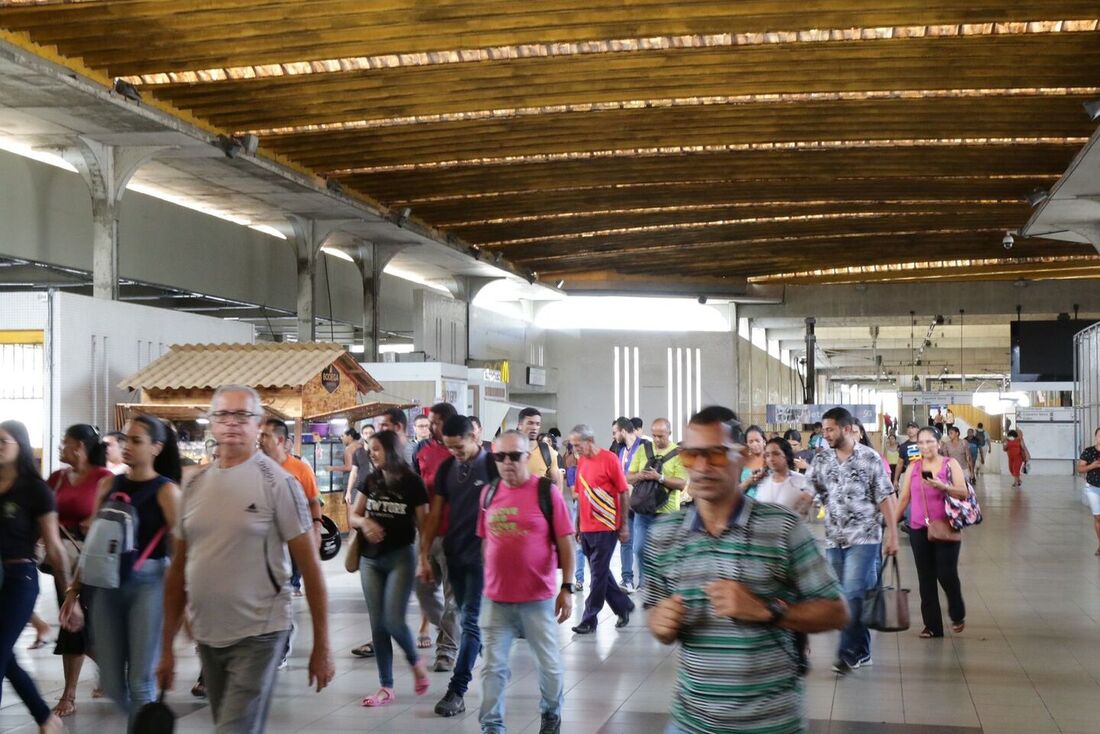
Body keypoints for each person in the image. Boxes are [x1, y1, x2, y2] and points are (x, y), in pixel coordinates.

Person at [644, 406, 848, 734]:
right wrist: (661, 624)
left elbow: (837, 611)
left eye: (715, 455)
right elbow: (654, 613)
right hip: (691, 722)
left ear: (740, 457)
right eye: (691, 455)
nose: (701, 466)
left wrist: (768, 611)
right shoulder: (664, 534)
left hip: (771, 723)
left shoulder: (782, 527)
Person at [156, 385, 335, 733]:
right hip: (209, 632)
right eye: (223, 415)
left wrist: (322, 646)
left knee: (233, 728)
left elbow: (311, 570)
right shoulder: (194, 485)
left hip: (261, 631)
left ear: (259, 424)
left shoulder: (279, 484)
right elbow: (178, 570)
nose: (232, 423)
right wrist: (165, 648)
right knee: (233, 722)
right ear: (211, 422)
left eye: (242, 415)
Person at [59, 417, 181, 731]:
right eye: (126, 439)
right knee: (112, 683)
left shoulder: (166, 491)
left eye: (137, 441)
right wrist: (73, 592)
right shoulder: (108, 485)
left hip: (148, 586)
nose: (127, 446)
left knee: (140, 681)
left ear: (156, 448)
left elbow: (182, 552)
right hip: (106, 587)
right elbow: (93, 545)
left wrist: (183, 605)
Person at [478, 431, 576, 734]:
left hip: (537, 599)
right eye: (500, 456)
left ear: (526, 457)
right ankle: (492, 726)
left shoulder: (547, 492)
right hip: (496, 599)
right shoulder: (489, 493)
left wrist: (567, 587)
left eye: (514, 456)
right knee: (493, 668)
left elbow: (566, 543)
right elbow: (485, 541)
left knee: (548, 665)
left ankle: (551, 714)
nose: (507, 462)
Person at [808, 407, 899, 675]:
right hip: (835, 539)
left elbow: (885, 497)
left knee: (853, 593)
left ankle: (847, 653)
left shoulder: (869, 458)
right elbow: (811, 492)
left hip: (865, 537)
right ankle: (863, 650)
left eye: (830, 429)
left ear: (846, 429)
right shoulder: (823, 460)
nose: (825, 435)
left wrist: (892, 533)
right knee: (846, 595)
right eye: (824, 430)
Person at [0, 419, 77, 734]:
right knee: (4, 655)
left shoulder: (35, 491)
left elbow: (55, 548)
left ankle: (45, 718)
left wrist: (70, 594)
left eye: (3, 442)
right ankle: (46, 719)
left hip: (20, 579)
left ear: (21, 446)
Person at [418, 414, 496, 717]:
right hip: (454, 554)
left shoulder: (492, 466)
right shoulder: (448, 468)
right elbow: (435, 515)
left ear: (474, 437)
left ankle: (457, 689)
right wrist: (424, 554)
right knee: (466, 618)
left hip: (482, 558)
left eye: (460, 447)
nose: (455, 453)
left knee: (472, 622)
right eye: (450, 448)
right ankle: (478, 650)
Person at [349, 430, 431, 707]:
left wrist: (425, 558)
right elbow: (353, 515)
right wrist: (364, 523)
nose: (371, 453)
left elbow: (424, 525)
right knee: (378, 625)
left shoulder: (412, 483)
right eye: (370, 449)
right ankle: (386, 686)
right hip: (370, 560)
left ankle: (415, 663)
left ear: (391, 451)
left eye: (376, 449)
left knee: (393, 619)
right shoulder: (371, 479)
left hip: (400, 558)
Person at [44, 424, 114, 718]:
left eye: (66, 442)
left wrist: (93, 519)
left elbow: (113, 517)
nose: (61, 448)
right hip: (63, 561)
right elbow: (43, 512)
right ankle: (75, 690)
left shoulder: (104, 478)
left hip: (93, 560)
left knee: (85, 623)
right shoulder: (56, 478)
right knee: (71, 621)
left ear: (81, 447)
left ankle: (107, 673)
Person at [894, 427, 969, 638]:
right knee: (925, 578)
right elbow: (904, 498)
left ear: (938, 443)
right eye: (921, 442)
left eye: (929, 442)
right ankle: (932, 626)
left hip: (946, 527)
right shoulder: (914, 467)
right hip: (919, 528)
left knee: (946, 574)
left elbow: (963, 491)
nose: (925, 446)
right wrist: (891, 522)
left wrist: (943, 486)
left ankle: (957, 612)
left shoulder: (949, 464)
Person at [569, 423, 633, 635]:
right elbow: (580, 495)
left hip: (606, 527)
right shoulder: (582, 463)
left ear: (590, 441)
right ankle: (623, 605)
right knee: (601, 573)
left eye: (578, 445)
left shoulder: (609, 459)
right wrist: (577, 524)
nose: (575, 449)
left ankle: (589, 618)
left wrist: (623, 526)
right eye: (573, 445)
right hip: (586, 528)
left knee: (597, 575)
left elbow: (623, 492)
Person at [412, 402, 460, 672]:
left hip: (455, 535)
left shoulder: (460, 453)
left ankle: (447, 650)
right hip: (428, 531)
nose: (431, 426)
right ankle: (453, 631)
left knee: (453, 597)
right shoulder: (423, 451)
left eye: (437, 421)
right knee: (424, 589)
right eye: (430, 421)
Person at [259, 419, 322, 604]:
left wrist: (317, 528)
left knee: (296, 563)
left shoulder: (301, 468)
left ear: (279, 440)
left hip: (295, 529)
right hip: (265, 533)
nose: (260, 440)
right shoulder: (255, 467)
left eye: (265, 435)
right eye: (260, 435)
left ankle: (294, 584)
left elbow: (314, 500)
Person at [626, 418, 687, 585]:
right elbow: (628, 477)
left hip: (667, 513)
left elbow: (681, 483)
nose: (657, 440)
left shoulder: (679, 453)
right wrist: (640, 475)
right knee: (639, 549)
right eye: (654, 436)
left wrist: (659, 477)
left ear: (670, 433)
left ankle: (665, 585)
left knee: (666, 552)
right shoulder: (642, 450)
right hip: (643, 511)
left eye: (661, 436)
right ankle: (645, 584)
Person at [613, 416, 649, 593]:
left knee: (641, 544)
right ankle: (627, 579)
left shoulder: (643, 446)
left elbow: (644, 474)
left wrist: (628, 478)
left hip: (641, 502)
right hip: (625, 502)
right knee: (625, 541)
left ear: (623, 431)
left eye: (615, 432)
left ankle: (644, 581)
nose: (614, 436)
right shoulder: (621, 451)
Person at [755, 437, 813, 516]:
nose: (771, 459)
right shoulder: (763, 484)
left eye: (776, 454)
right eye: (767, 455)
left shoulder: (800, 481)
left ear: (787, 455)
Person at [518, 407, 565, 496]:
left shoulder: (547, 451)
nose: (534, 427)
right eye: (530, 423)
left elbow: (556, 483)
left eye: (537, 424)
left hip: (537, 506)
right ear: (520, 425)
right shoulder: (509, 449)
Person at [1077, 427, 1100, 556]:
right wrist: (1093, 465)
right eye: (1099, 435)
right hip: (1093, 488)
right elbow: (1080, 469)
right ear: (1095, 437)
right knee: (1098, 517)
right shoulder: (1089, 451)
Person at [327, 427, 361, 496]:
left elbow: (348, 467)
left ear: (349, 436)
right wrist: (338, 456)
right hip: (360, 480)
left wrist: (332, 468)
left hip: (350, 480)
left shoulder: (348, 449)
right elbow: (355, 460)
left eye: (343, 436)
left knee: (350, 502)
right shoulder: (360, 445)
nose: (341, 438)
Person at [738, 425, 767, 497]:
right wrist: (748, 481)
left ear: (764, 441)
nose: (754, 444)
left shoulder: (772, 461)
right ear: (747, 444)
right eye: (751, 442)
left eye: (757, 441)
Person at [893, 421, 921, 489]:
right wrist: (896, 479)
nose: (910, 430)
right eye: (908, 428)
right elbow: (899, 464)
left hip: (922, 475)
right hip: (908, 475)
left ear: (918, 430)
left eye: (912, 428)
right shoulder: (903, 446)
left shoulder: (924, 443)